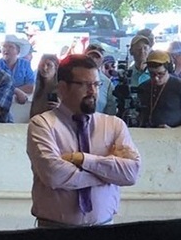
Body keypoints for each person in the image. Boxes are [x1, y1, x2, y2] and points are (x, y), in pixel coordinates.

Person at [26, 54, 141, 228]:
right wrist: (107, 176)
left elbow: (131, 173)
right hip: (54, 232)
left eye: (96, 84)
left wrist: (81, 159)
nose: (93, 91)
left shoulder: (114, 125)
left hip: (103, 229)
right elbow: (54, 175)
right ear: (63, 88)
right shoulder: (42, 124)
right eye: (85, 85)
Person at [138, 49, 181, 128]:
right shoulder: (143, 87)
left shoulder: (178, 86)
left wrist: (174, 130)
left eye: (160, 74)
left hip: (173, 136)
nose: (156, 78)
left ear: (169, 69)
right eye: (152, 74)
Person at [0, 34, 34, 105]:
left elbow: (30, 87)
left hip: (20, 104)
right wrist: (18, 90)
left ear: (18, 51)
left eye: (11, 47)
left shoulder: (25, 64)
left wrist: (10, 90)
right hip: (0, 102)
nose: (6, 49)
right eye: (4, 46)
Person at [85, 44, 116, 115]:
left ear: (102, 60)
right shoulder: (76, 78)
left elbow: (110, 107)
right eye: (91, 56)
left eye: (97, 57)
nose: (93, 59)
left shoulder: (107, 83)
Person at [30, 53, 59, 118]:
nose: (44, 68)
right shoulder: (37, 88)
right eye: (42, 65)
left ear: (56, 67)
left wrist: (60, 109)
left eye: (49, 65)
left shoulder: (60, 89)